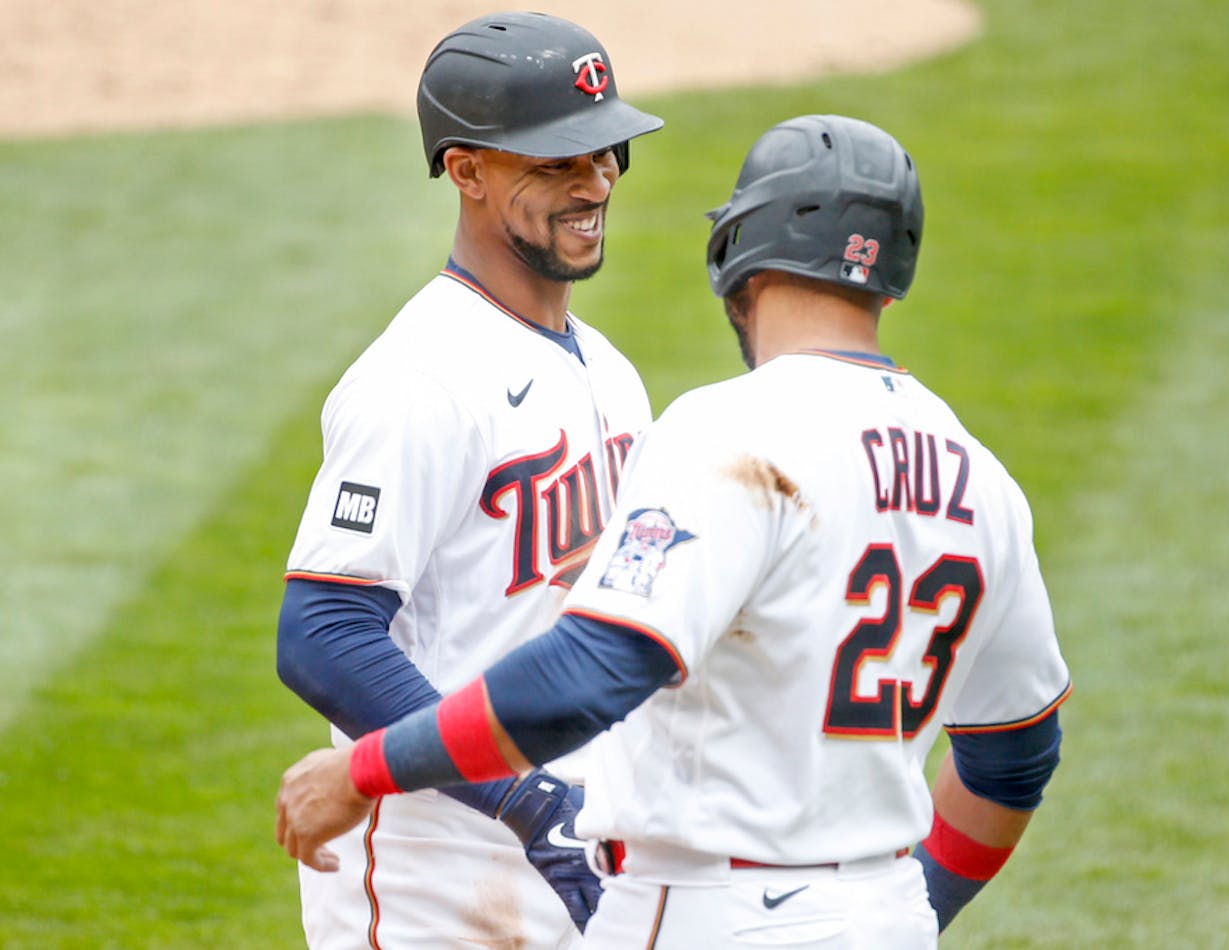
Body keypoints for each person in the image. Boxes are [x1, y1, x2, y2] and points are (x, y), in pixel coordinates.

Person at [276, 114, 1071, 948]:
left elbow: (593, 670)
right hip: (884, 916)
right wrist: (895, 914)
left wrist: (365, 767)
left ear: (738, 257)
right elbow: (1016, 755)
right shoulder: (982, 478)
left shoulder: (729, 433)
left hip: (708, 913)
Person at [273, 11, 662, 948]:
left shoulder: (607, 369)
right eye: (556, 160)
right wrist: (525, 803)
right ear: (467, 168)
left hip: (587, 857)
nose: (595, 180)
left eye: (604, 151)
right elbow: (321, 632)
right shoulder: (419, 380)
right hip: (438, 883)